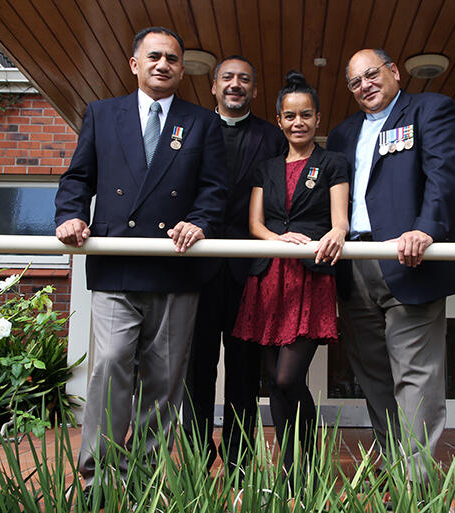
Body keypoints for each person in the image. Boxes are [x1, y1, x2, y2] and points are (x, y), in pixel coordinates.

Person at [54, 27, 227, 492]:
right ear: (134, 64)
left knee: (164, 382)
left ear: (181, 68)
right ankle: (98, 479)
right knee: (110, 363)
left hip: (176, 266)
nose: (163, 64)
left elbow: (215, 189)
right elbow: (78, 178)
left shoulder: (202, 122)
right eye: (154, 56)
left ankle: (146, 479)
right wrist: (70, 216)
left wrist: (200, 221)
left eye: (172, 58)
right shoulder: (101, 114)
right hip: (117, 262)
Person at [327, 48, 455, 480]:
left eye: (371, 74)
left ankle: (415, 483)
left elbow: (445, 172)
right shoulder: (342, 134)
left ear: (393, 71)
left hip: (409, 258)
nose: (365, 85)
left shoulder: (429, 109)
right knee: (374, 377)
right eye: (355, 82)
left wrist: (426, 228)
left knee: (415, 378)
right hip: (354, 264)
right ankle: (397, 468)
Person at [232, 70, 349, 472]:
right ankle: (292, 469)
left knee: (286, 378)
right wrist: (277, 240)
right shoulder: (266, 167)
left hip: (309, 278)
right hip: (267, 278)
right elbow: (255, 225)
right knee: (275, 383)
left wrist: (334, 234)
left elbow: (340, 222)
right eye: (289, 116)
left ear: (318, 119)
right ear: (279, 120)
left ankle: (309, 462)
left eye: (306, 115)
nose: (298, 123)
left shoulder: (332, 163)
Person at [182, 55, 284, 470]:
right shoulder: (191, 129)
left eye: (244, 79)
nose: (235, 85)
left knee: (244, 370)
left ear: (254, 90)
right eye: (227, 78)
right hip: (198, 268)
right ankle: (195, 457)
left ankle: (241, 459)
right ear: (213, 87)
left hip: (250, 269)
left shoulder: (272, 137)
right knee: (197, 367)